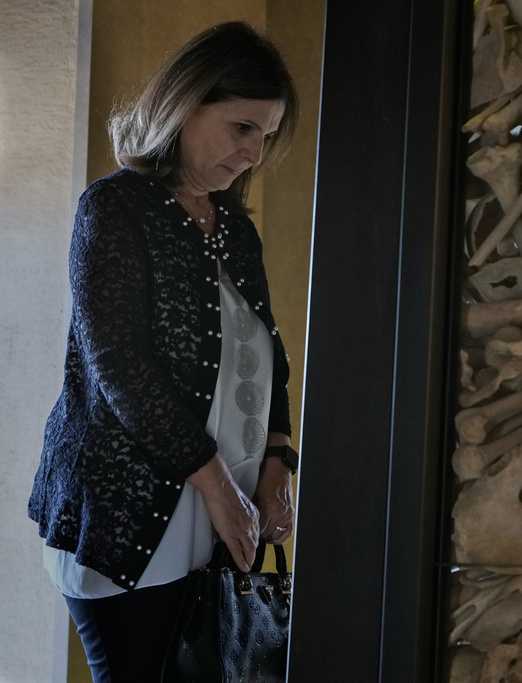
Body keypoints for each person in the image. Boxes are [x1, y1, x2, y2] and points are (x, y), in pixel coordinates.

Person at [28, 21, 301, 681]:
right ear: (185, 102)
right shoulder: (114, 208)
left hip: (218, 517)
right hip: (125, 517)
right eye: (242, 128)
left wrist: (276, 462)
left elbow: (270, 351)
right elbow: (118, 368)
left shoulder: (235, 226)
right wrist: (217, 485)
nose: (255, 154)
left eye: (266, 136)